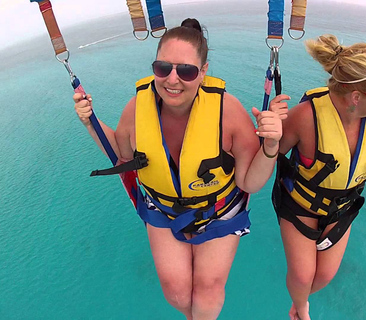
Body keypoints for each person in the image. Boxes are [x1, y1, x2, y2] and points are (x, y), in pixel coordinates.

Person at [74, 18, 285, 320]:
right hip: (163, 206)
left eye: (185, 71)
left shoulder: (229, 112)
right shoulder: (137, 109)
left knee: (208, 291)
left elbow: (250, 183)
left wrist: (271, 146)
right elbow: (121, 155)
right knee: (176, 292)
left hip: (219, 209)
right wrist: (90, 122)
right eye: (163, 68)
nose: (172, 80)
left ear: (203, 72)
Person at [269, 34, 366, 320]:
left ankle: (300, 299)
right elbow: (274, 153)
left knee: (324, 277)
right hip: (300, 206)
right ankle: (300, 308)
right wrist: (271, 130)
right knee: (303, 278)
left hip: (341, 208)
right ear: (356, 96)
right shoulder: (306, 115)